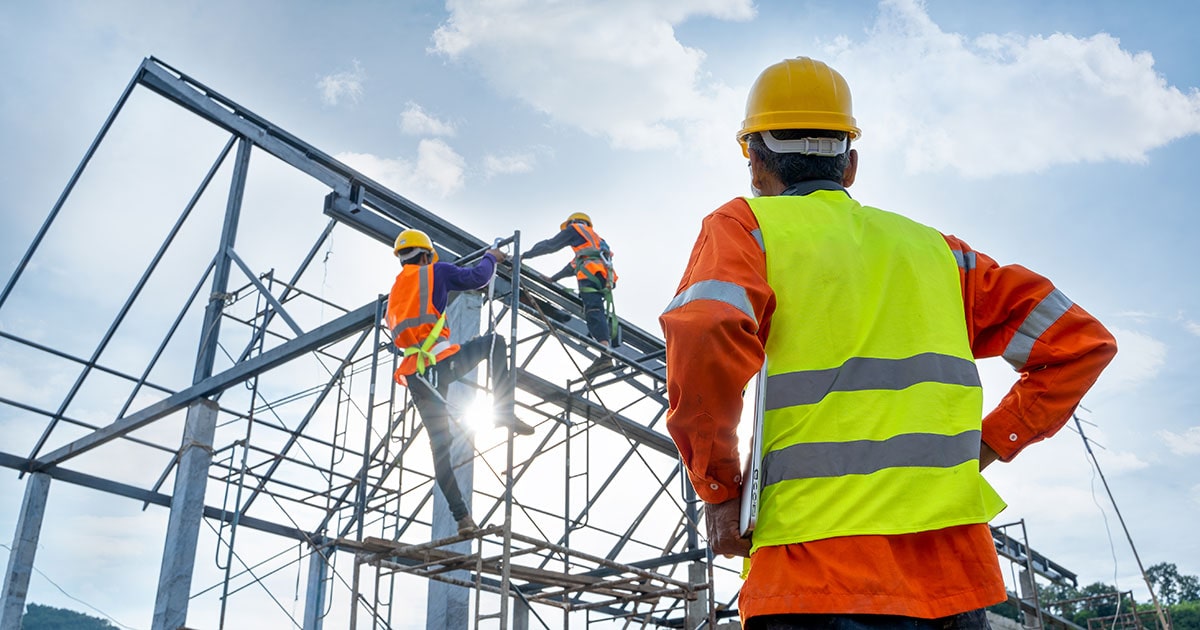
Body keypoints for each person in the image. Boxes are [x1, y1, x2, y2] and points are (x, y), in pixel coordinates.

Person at [659, 57, 1118, 629]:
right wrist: (990, 442)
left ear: (754, 163)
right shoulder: (942, 254)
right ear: (850, 165)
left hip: (812, 574)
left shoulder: (746, 228)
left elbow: (705, 329)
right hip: (950, 579)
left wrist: (720, 487)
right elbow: (1080, 342)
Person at [386, 228, 534, 536]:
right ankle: (503, 411)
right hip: (439, 360)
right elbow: (478, 279)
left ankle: (462, 519)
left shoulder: (396, 290)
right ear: (426, 255)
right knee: (494, 343)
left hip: (416, 374)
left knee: (440, 447)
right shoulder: (435, 272)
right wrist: (491, 258)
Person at [525, 212, 619, 377]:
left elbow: (550, 245)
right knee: (594, 309)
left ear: (574, 222)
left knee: (593, 311)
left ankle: (605, 354)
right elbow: (572, 266)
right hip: (602, 276)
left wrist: (524, 255)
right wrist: (553, 279)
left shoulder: (576, 228)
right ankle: (604, 353)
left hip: (591, 275)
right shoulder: (595, 241)